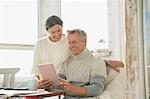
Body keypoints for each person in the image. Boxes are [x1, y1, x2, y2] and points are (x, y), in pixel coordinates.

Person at [38, 29, 107, 99]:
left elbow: (97, 88)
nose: (71, 46)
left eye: (74, 42)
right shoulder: (67, 62)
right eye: (69, 43)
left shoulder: (96, 61)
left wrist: (73, 89)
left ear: (84, 42)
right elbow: (58, 85)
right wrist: (49, 85)